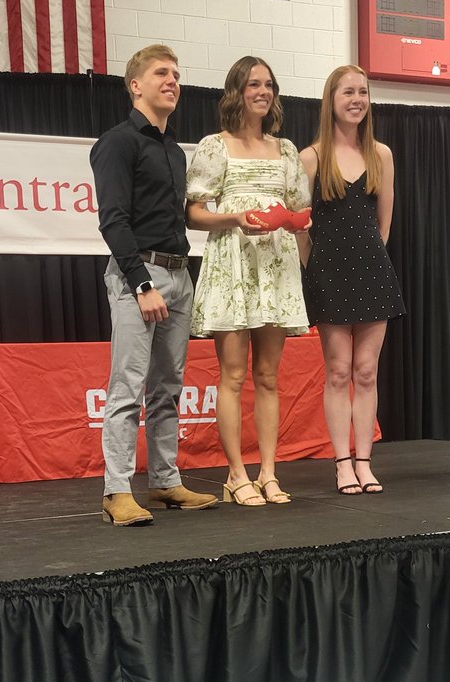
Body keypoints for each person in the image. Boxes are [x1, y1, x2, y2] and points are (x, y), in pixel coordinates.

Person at [89, 45, 219, 525]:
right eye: (161, 73)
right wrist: (141, 282)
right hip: (138, 275)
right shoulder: (118, 143)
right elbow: (113, 220)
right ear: (135, 85)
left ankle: (165, 481)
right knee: (127, 386)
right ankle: (116, 491)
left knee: (168, 387)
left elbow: (181, 219)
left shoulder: (171, 150)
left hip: (181, 274)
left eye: (177, 74)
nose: (173, 80)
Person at [186, 55, 311, 506]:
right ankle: (235, 474)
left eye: (269, 85)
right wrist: (235, 217)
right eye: (253, 84)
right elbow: (194, 212)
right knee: (234, 375)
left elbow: (300, 211)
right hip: (232, 263)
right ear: (236, 91)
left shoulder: (287, 150)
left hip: (275, 267)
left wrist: (295, 223)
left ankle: (269, 473)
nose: (263, 91)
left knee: (269, 376)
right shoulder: (214, 146)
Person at [299, 65, 405, 495]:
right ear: (332, 99)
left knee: (366, 372)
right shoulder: (311, 157)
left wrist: (369, 258)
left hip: (373, 272)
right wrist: (316, 267)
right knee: (338, 372)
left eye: (363, 92)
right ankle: (342, 464)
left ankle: (365, 461)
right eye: (348, 92)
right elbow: (301, 228)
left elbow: (384, 224)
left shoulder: (381, 154)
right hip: (329, 275)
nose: (357, 99)